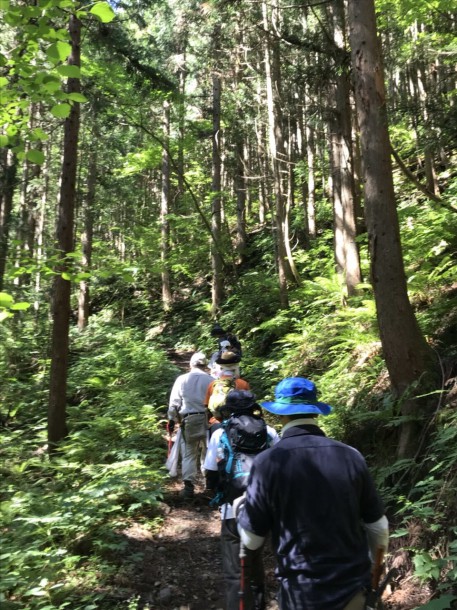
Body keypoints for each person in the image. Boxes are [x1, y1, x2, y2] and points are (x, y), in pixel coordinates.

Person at [236, 377, 389, 610]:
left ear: (281, 414)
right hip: (352, 590)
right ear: (316, 411)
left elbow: (252, 540)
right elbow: (378, 528)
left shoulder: (267, 463)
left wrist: (242, 513)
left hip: (301, 593)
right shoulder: (351, 456)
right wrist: (371, 568)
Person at [204, 390, 279, 610]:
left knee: (235, 571)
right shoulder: (269, 431)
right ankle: (258, 603)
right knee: (255, 560)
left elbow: (210, 470)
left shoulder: (220, 433)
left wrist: (218, 492)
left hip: (233, 509)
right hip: (264, 508)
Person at [167, 352, 213, 499]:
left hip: (189, 420)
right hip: (208, 419)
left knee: (189, 453)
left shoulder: (182, 379)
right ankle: (210, 484)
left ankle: (188, 488)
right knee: (208, 452)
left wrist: (172, 419)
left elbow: (174, 403)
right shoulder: (212, 380)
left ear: (191, 364)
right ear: (205, 365)